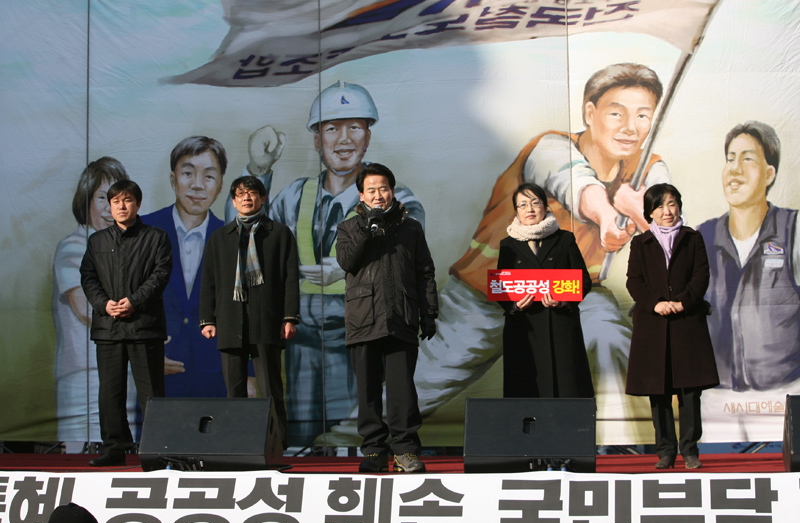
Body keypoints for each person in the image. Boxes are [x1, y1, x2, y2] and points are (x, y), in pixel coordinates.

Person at [408, 63, 669, 436]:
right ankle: (357, 444)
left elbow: (669, 230)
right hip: (485, 298)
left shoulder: (649, 169)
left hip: (572, 295)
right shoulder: (552, 147)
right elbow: (576, 183)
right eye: (617, 113)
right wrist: (610, 215)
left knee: (609, 336)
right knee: (420, 387)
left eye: (643, 115)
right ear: (590, 112)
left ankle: (622, 443)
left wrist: (638, 210)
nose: (630, 127)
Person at [228, 80, 425, 446]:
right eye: (332, 128)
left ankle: (375, 457)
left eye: (354, 128)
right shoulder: (295, 194)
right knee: (302, 434)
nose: (344, 139)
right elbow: (242, 237)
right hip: (302, 336)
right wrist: (257, 169)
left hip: (364, 324)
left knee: (357, 423)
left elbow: (407, 252)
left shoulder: (397, 201)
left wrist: (347, 266)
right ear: (317, 140)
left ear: (367, 137)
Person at [336, 163, 437, 473]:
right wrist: (368, 228)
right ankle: (374, 452)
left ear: (392, 191)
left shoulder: (410, 228)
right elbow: (347, 261)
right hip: (362, 318)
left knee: (402, 390)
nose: (378, 195)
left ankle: (405, 451)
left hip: (400, 316)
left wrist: (429, 312)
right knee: (367, 391)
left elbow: (424, 272)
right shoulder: (349, 227)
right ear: (361, 195)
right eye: (371, 190)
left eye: (383, 188)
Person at [697, 121, 800, 391]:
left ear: (769, 174)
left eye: (747, 159)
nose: (735, 169)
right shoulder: (703, 236)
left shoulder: (793, 230)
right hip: (714, 394)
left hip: (784, 391)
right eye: (730, 159)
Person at [200, 175, 300, 448]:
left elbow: (291, 278)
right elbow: (208, 281)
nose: (247, 198)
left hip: (267, 321)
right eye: (240, 194)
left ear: (262, 198)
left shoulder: (279, 233)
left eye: (252, 193)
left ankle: (276, 445)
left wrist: (289, 317)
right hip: (230, 321)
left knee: (270, 390)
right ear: (233, 202)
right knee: (234, 391)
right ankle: (237, 445)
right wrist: (207, 319)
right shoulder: (219, 238)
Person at [626, 183, 719, 469]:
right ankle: (665, 451)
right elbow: (634, 281)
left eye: (671, 204)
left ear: (679, 206)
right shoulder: (640, 243)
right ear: (649, 212)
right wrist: (656, 303)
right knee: (659, 391)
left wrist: (682, 302)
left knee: (690, 391)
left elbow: (701, 275)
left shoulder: (693, 238)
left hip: (686, 322)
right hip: (653, 325)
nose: (667, 211)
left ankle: (690, 449)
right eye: (659, 206)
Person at [80, 180, 172, 466]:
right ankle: (114, 449)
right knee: (110, 393)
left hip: (144, 325)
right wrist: (103, 304)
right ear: (110, 206)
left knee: (151, 393)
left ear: (138, 204)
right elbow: (88, 277)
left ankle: (157, 451)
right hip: (108, 327)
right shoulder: (97, 241)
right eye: (116, 201)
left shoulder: (156, 237)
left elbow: (160, 275)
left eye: (127, 200)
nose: (121, 206)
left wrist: (134, 301)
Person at [53, 157, 140, 446]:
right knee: (83, 451)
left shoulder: (126, 245)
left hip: (124, 365)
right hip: (84, 375)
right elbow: (85, 308)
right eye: (103, 198)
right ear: (86, 200)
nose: (111, 207)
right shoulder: (73, 247)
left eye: (120, 198)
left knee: (123, 448)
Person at [141, 136, 227, 397]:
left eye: (209, 176)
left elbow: (245, 308)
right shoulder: (143, 231)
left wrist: (248, 373)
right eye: (188, 173)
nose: (197, 184)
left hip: (217, 371)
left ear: (221, 185)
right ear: (173, 179)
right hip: (158, 368)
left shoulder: (230, 236)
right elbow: (128, 297)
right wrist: (146, 355)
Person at [498, 183, 594, 398]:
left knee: (566, 389)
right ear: (516, 211)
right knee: (526, 391)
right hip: (524, 328)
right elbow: (501, 287)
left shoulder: (564, 239)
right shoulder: (508, 245)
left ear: (545, 206)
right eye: (523, 205)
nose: (529, 209)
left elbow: (583, 281)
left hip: (560, 326)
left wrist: (562, 300)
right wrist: (514, 305)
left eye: (535, 203)